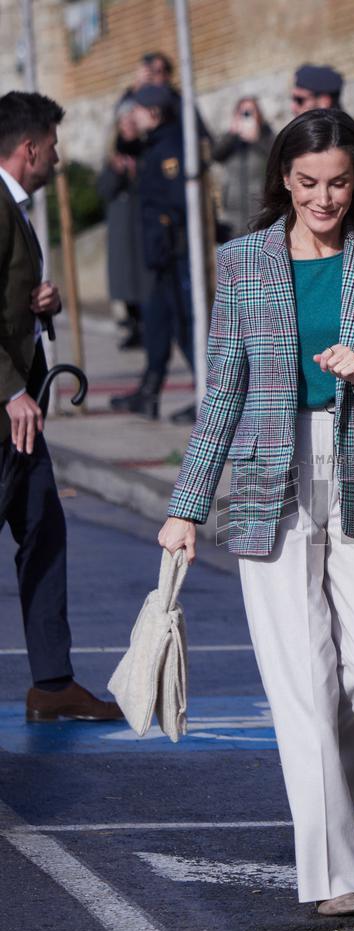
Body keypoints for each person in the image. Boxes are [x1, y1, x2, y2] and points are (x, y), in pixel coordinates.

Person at [158, 108, 354, 914]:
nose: (325, 198)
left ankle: (335, 781)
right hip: (266, 472)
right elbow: (223, 394)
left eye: (340, 183)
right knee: (301, 687)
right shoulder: (242, 261)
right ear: (284, 176)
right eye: (309, 182)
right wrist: (187, 505)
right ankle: (334, 878)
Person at [0, 91, 124, 722]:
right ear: (30, 149)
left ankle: (52, 683)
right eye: (52, 145)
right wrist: (9, 389)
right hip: (6, 409)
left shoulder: (15, 208)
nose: (57, 157)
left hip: (22, 415)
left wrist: (37, 304)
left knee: (44, 531)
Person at [110, 85, 196, 424]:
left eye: (140, 111)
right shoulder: (156, 144)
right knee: (157, 319)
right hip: (162, 256)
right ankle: (149, 391)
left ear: (156, 113)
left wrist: (165, 232)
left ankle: (212, 391)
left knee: (185, 326)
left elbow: (178, 199)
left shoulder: (170, 146)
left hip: (174, 253)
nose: (135, 116)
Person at [97, 99, 152, 350]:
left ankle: (148, 325)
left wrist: (136, 170)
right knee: (124, 276)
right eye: (124, 122)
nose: (128, 126)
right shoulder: (112, 153)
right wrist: (117, 171)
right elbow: (104, 189)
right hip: (122, 222)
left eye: (132, 121)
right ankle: (132, 325)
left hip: (143, 220)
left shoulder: (148, 147)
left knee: (144, 274)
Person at [212, 97, 273, 238]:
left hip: (259, 212)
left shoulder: (266, 135)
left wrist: (257, 140)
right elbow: (215, 155)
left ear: (258, 114)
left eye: (250, 112)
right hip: (233, 215)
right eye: (242, 112)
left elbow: (277, 157)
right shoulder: (231, 139)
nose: (246, 116)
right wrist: (232, 134)